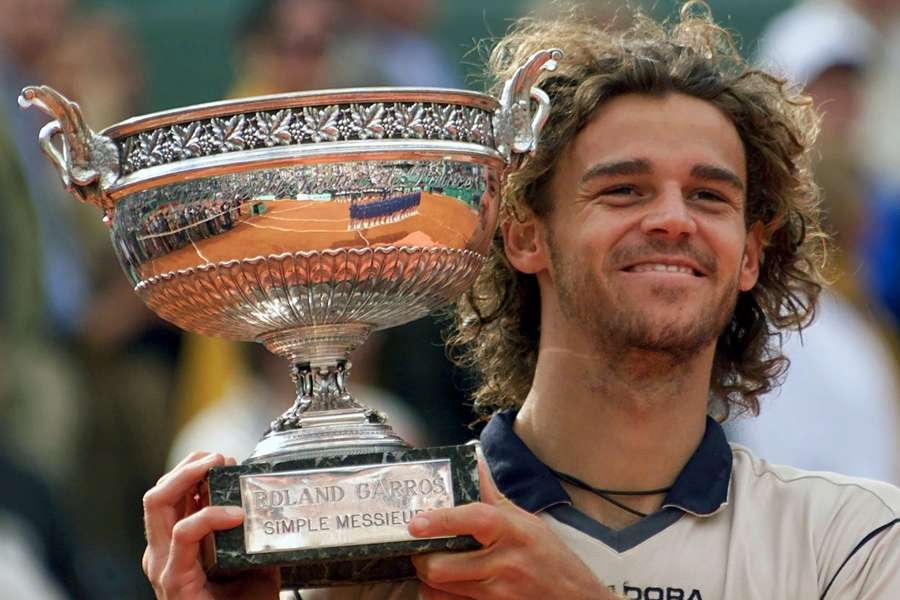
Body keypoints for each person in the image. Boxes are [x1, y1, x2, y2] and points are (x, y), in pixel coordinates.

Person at [141, 4, 900, 599]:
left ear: (749, 255)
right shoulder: (386, 547)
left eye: (708, 195)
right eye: (624, 189)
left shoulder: (853, 538)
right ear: (523, 235)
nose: (673, 218)